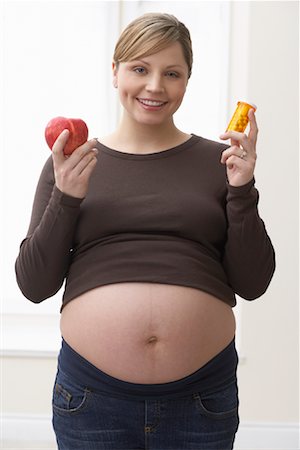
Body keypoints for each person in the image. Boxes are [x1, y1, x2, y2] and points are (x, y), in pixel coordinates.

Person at [15, 12, 275, 450]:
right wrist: (67, 196)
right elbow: (35, 284)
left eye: (171, 73)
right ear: (114, 73)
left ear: (186, 81)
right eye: (140, 68)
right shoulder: (73, 161)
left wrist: (242, 189)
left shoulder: (223, 163)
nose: (155, 86)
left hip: (201, 397)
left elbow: (253, 283)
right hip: (92, 398)